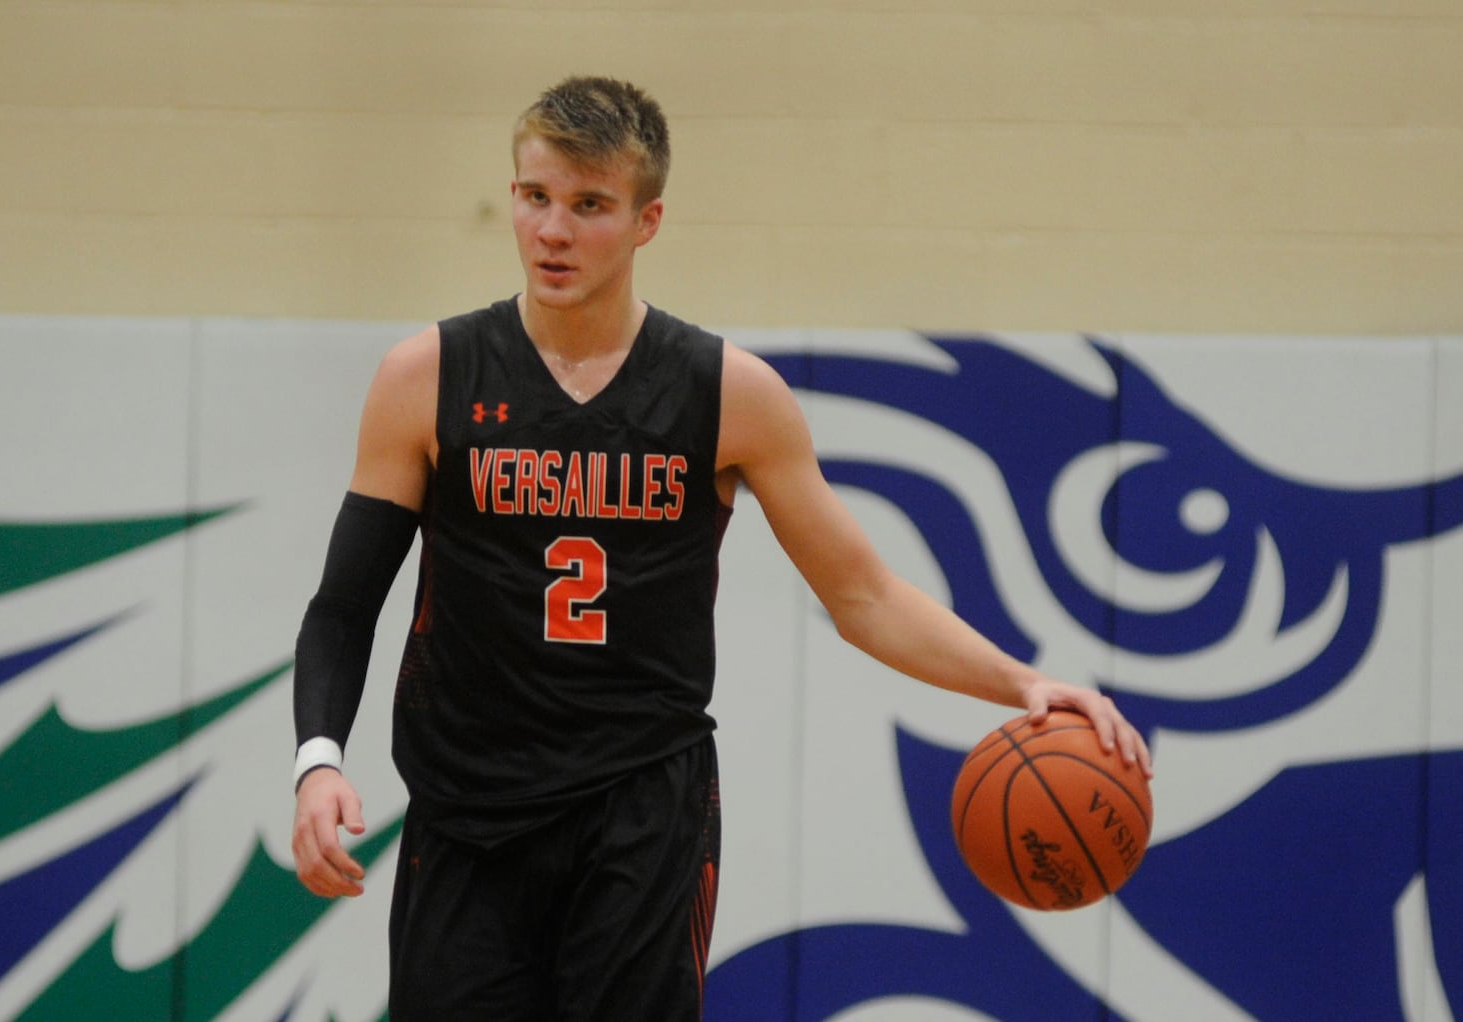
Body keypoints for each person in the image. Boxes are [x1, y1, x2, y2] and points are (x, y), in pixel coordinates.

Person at [290, 75, 1152, 1021]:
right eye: (535, 198)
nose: (552, 231)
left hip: (641, 813)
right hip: (467, 808)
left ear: (647, 219)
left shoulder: (726, 393)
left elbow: (862, 597)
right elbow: (345, 603)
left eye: (590, 206)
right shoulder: (429, 375)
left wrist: (1023, 685)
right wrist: (319, 760)